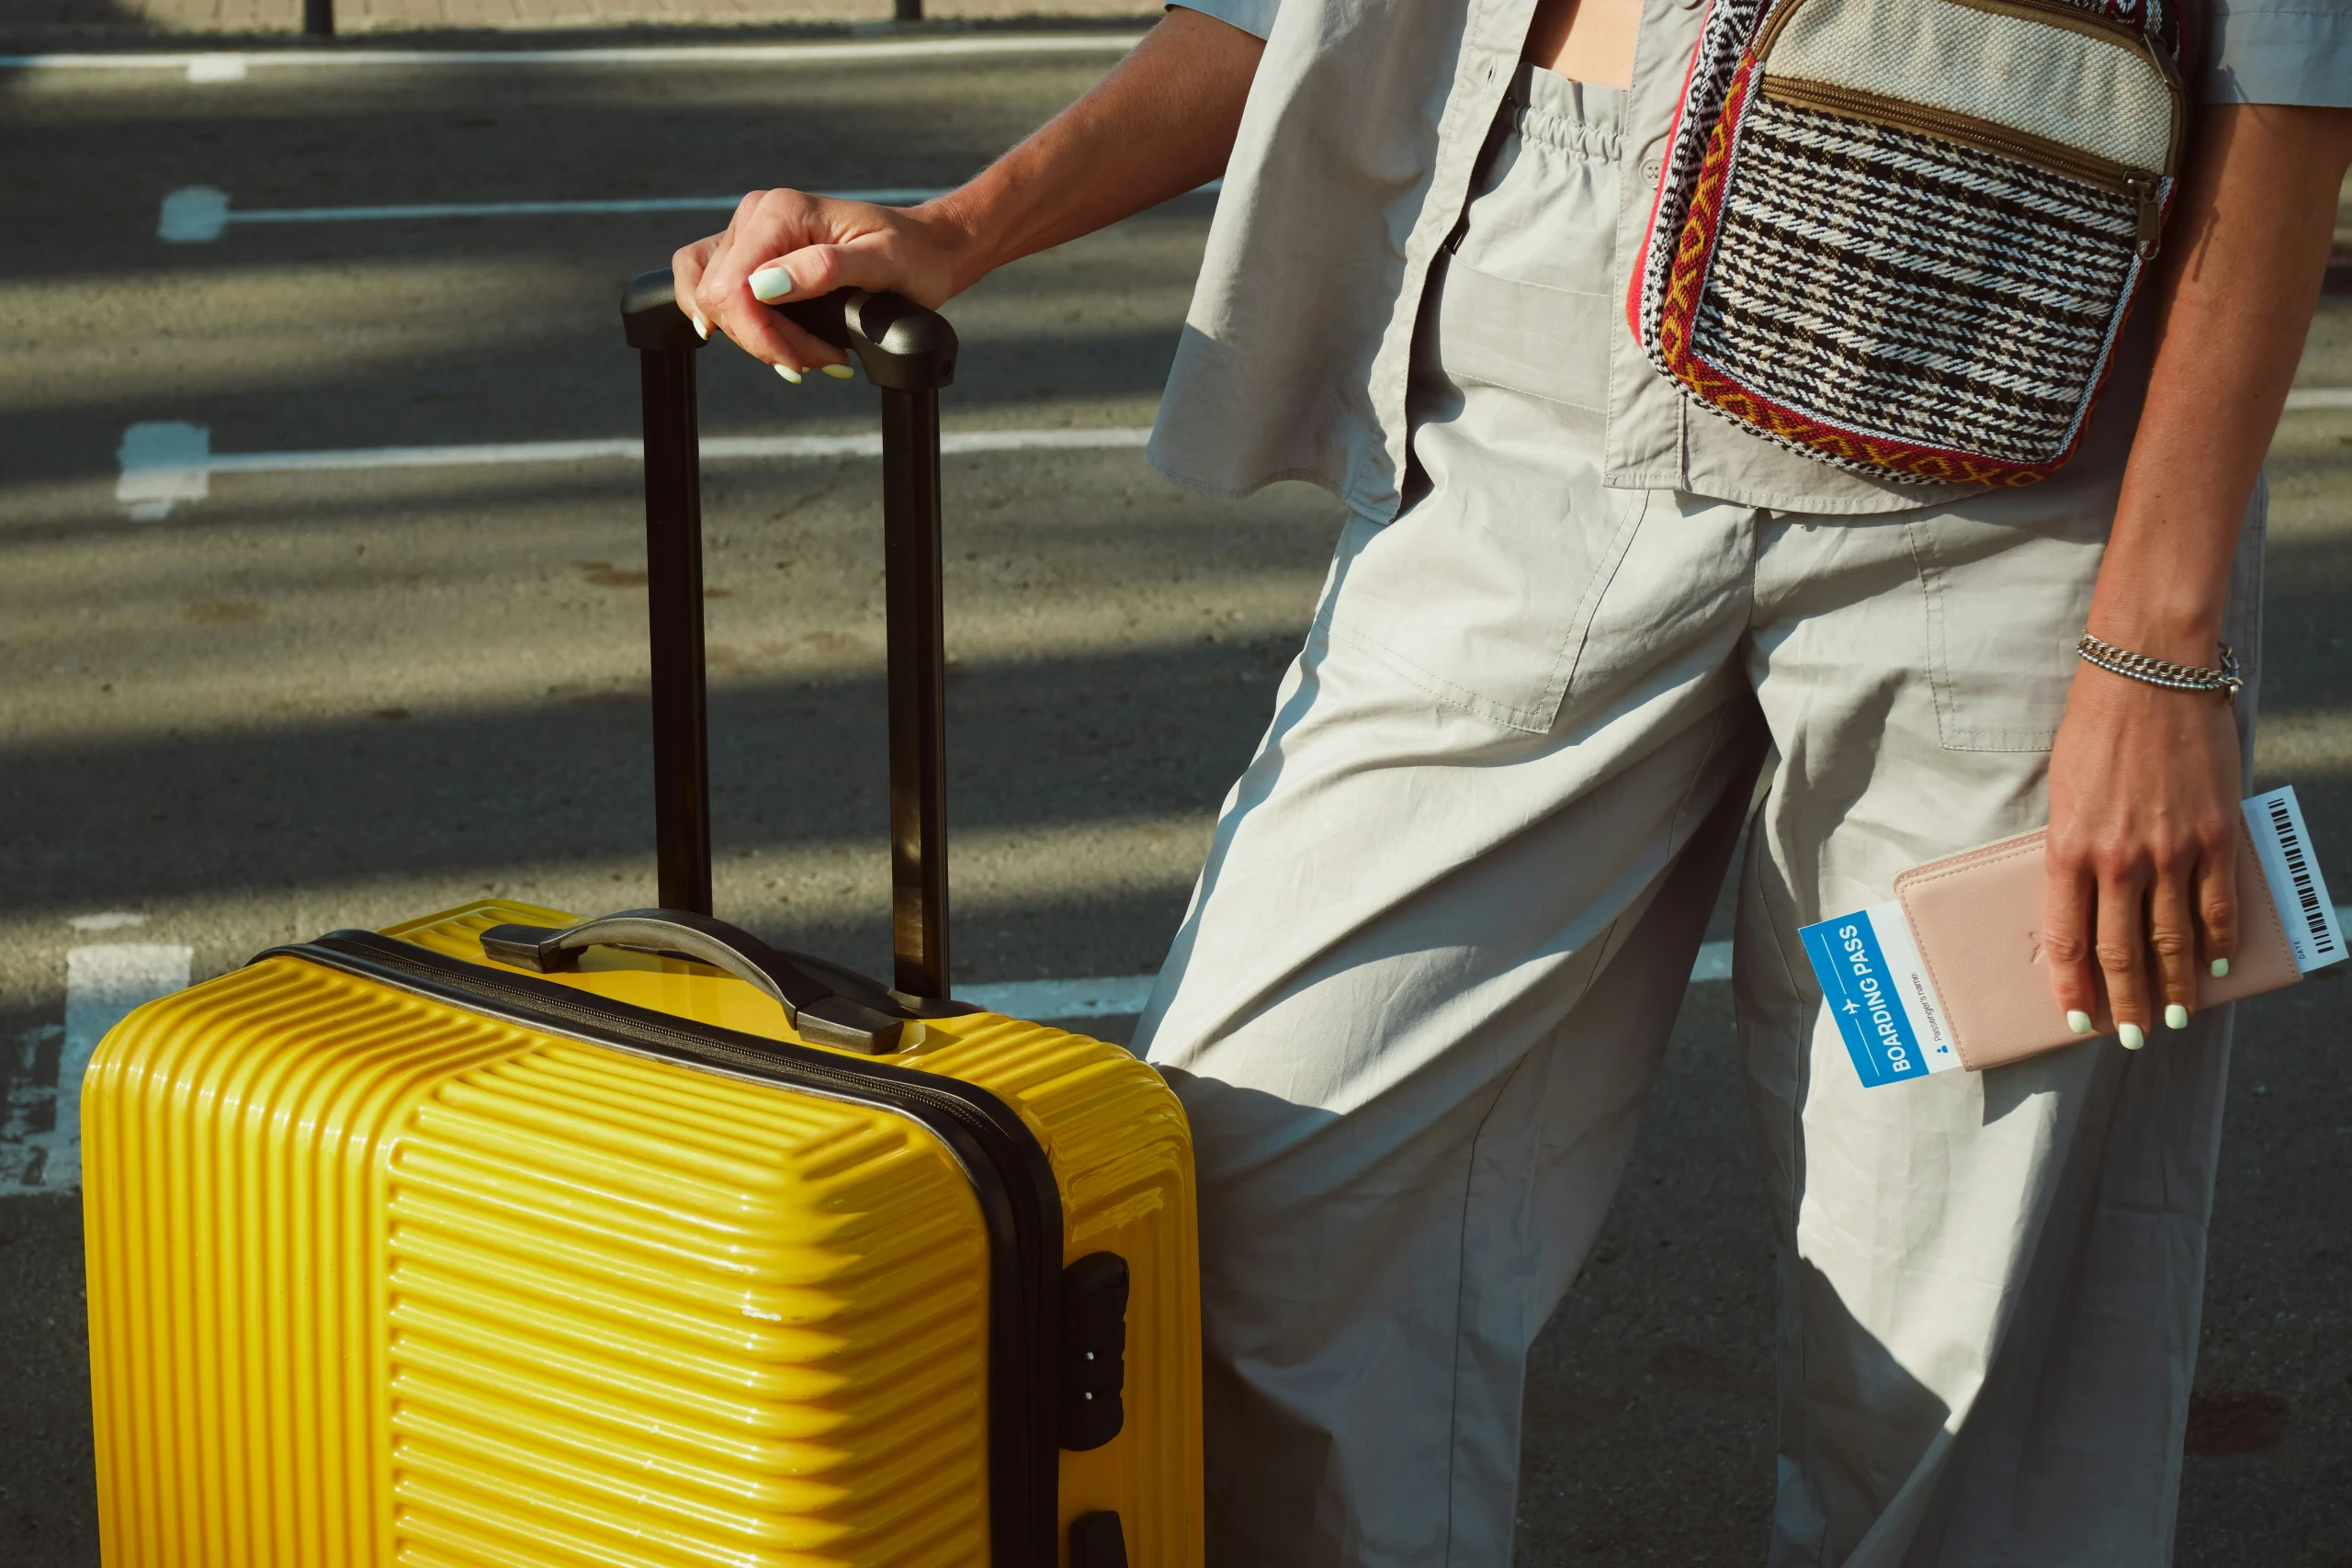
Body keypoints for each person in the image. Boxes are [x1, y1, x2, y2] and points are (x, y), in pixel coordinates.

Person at [676, 0, 2352, 1558]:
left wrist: (2159, 643)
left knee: (1956, 1315)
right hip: (1528, 372)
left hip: (2004, 457)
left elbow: (2287, 55)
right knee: (1264, 1181)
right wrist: (966, 222)